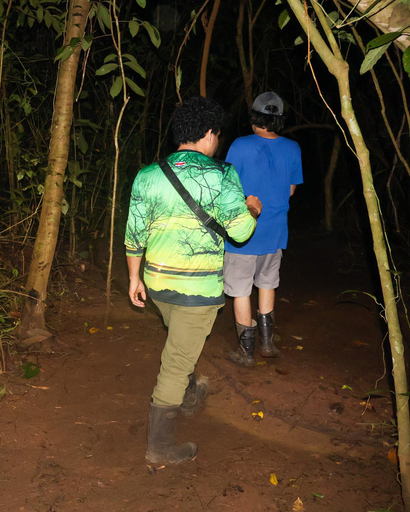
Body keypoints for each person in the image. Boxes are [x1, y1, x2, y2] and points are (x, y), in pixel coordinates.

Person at [125, 97, 261, 465]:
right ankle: (160, 450)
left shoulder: (148, 174)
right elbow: (242, 233)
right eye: (217, 134)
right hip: (198, 290)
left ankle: (187, 395)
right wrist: (252, 208)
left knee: (179, 343)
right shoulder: (222, 175)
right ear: (208, 134)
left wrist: (134, 278)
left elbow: (134, 233)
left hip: (157, 283)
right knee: (176, 362)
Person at [224, 92, 304, 367]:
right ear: (279, 119)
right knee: (267, 284)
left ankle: (245, 352)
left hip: (244, 233)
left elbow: (230, 189)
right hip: (276, 231)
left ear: (254, 117)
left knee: (241, 289)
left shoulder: (239, 145)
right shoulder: (293, 148)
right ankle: (268, 344)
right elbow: (290, 190)